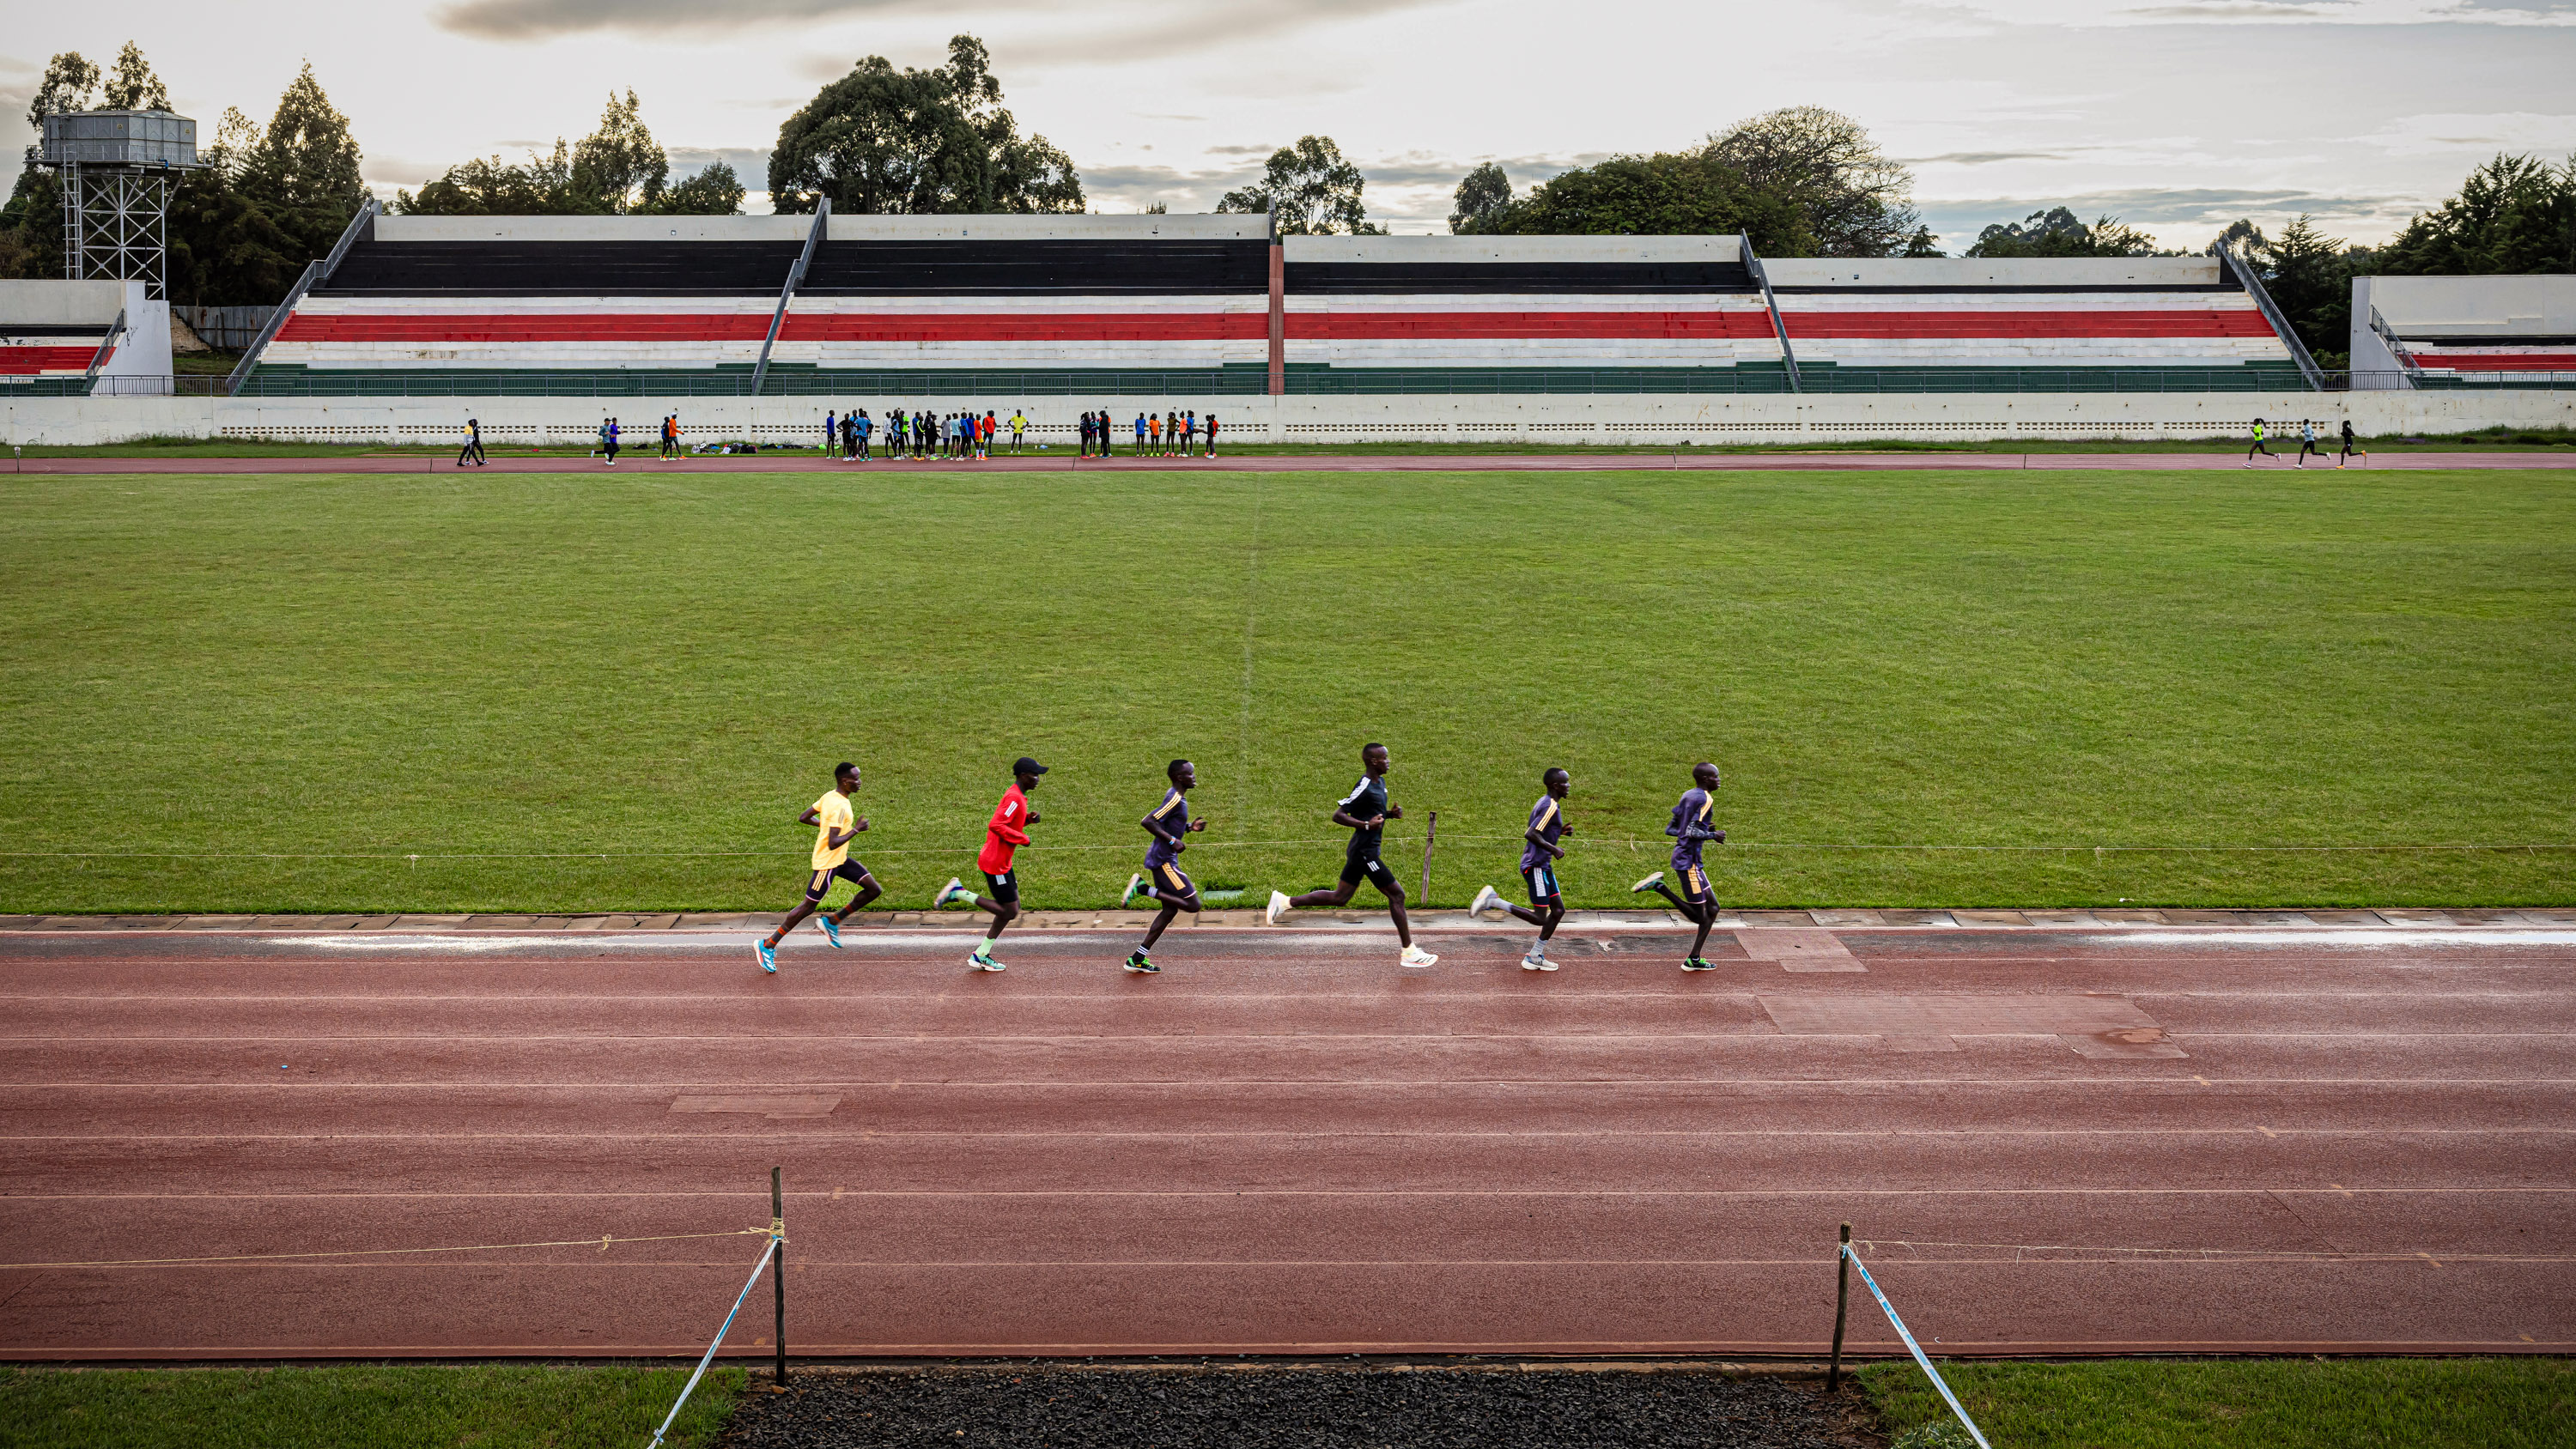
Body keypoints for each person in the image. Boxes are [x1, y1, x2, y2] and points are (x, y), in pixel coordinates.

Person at [1265, 743, 1438, 968]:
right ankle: (1409, 952)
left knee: (1340, 897)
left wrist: (1390, 814)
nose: (1388, 762)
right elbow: (1338, 815)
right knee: (1397, 895)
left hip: (1363, 851)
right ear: (1373, 761)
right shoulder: (1364, 785)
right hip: (1365, 853)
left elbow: (1371, 811)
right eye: (1385, 758)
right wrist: (1366, 825)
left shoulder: (1380, 782)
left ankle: (1284, 901)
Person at [756, 761, 882, 973]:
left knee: (873, 889)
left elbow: (804, 817)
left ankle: (832, 922)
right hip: (827, 864)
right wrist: (856, 830)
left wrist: (824, 825)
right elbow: (833, 842)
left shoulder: (830, 796)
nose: (860, 782)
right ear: (845, 781)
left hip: (840, 860)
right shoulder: (840, 806)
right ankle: (767, 945)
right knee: (808, 907)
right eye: (856, 779)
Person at [936, 757, 1048, 971]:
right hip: (995, 864)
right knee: (1009, 911)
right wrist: (1023, 838)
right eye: (1034, 775)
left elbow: (1009, 822)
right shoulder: (1014, 797)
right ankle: (959, 892)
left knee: (1013, 908)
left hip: (1003, 861)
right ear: (1023, 776)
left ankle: (981, 954)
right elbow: (996, 824)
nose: (1038, 779)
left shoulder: (1019, 797)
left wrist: (1028, 820)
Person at [1472, 767, 1571, 971]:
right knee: (1539, 917)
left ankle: (1535, 955)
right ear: (1555, 785)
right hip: (1536, 866)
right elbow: (1531, 833)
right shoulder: (1550, 806)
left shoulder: (1546, 802)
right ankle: (1493, 901)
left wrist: (1559, 832)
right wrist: (1554, 848)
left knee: (1558, 910)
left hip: (1543, 866)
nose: (1569, 786)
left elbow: (1541, 829)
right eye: (1565, 782)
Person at [1117, 759, 1211, 973]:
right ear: (1179, 777)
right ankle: (1142, 888)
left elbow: (1166, 823)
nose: (1194, 777)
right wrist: (1172, 841)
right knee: (1193, 905)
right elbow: (1148, 821)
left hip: (1162, 858)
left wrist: (1189, 828)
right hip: (1165, 861)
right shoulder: (1175, 798)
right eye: (1190, 774)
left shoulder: (1177, 798)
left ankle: (1137, 958)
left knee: (1169, 911)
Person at [1631, 762, 1728, 971]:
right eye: (1716, 776)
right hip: (1688, 862)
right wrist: (1713, 835)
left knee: (1713, 908)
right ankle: (1660, 887)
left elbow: (1672, 829)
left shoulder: (1688, 795)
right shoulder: (1706, 799)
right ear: (1706, 779)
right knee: (1699, 916)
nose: (1719, 780)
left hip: (1692, 861)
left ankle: (1694, 958)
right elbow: (1691, 832)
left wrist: (1703, 829)